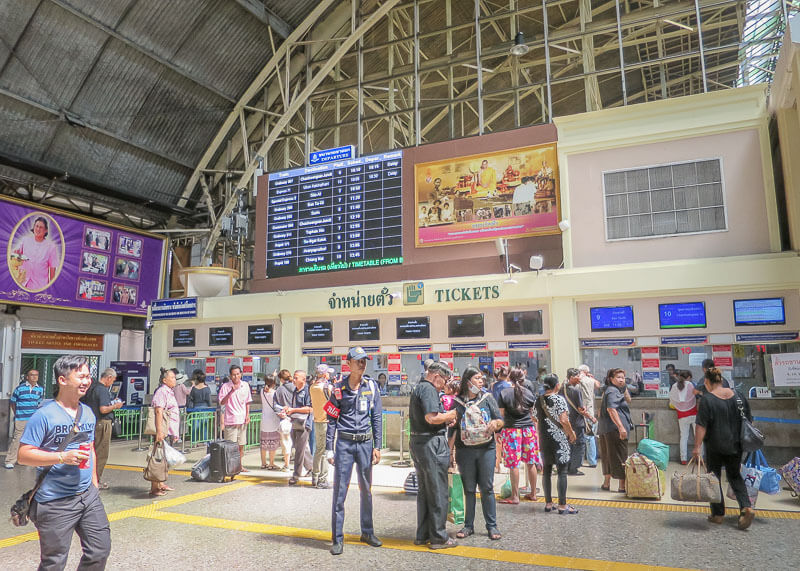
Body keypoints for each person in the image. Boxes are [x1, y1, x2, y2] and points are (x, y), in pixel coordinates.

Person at [18, 355, 110, 570]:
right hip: (54, 502)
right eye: (81, 376)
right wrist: (62, 457)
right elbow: (24, 454)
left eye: (88, 376)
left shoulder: (87, 412)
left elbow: (91, 449)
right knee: (54, 562)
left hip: (87, 497)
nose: (87, 381)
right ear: (63, 380)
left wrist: (94, 484)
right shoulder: (44, 415)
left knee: (100, 551)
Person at [325, 346, 383, 555]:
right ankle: (337, 538)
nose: (362, 364)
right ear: (348, 363)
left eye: (364, 360)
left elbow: (377, 417)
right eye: (358, 360)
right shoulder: (338, 389)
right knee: (340, 492)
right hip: (345, 445)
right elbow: (331, 419)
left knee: (366, 490)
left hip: (365, 444)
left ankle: (367, 532)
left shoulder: (372, 387)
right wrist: (329, 449)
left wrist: (377, 445)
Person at [693, 367, 755, 529]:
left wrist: (697, 447)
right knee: (735, 476)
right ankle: (746, 507)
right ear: (721, 380)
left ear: (707, 382)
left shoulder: (707, 400)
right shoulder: (739, 396)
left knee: (713, 479)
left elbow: (701, 426)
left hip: (715, 445)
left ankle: (718, 514)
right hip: (736, 444)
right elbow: (749, 420)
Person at [448, 366, 503, 540]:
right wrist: (450, 453)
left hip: (486, 449)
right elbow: (453, 429)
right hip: (465, 451)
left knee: (487, 488)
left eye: (482, 378)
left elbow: (500, 420)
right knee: (469, 489)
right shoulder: (457, 402)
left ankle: (492, 526)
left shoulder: (487, 398)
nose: (481, 381)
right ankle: (468, 525)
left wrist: (496, 424)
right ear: (468, 381)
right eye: (477, 378)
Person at [409, 360, 458, 549]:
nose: (446, 385)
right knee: (438, 490)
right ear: (436, 376)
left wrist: (444, 421)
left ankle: (423, 534)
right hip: (431, 444)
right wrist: (451, 415)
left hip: (419, 442)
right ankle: (439, 537)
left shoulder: (419, 388)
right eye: (445, 380)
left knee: (425, 491)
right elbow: (431, 417)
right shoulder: (429, 389)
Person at [496, 367, 540, 504]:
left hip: (512, 431)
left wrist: (498, 431)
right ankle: (533, 493)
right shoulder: (529, 393)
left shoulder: (504, 393)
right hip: (528, 430)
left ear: (509, 378)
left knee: (514, 464)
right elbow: (533, 414)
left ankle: (515, 496)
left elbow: (501, 415)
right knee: (531, 462)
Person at [536, 374, 578, 514]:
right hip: (559, 439)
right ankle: (562, 505)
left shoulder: (539, 400)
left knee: (546, 471)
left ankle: (548, 503)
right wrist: (571, 434)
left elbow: (534, 418)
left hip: (544, 439)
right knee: (562, 472)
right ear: (557, 386)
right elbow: (564, 420)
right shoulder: (559, 399)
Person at [81, 367, 123, 488]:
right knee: (101, 453)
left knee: (92, 451)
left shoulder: (92, 388)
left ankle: (88, 478)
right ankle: (95, 481)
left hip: (92, 422)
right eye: (113, 380)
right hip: (103, 423)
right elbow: (103, 409)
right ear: (109, 378)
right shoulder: (103, 390)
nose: (112, 383)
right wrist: (116, 406)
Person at [598, 368, 632, 493]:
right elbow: (611, 409)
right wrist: (621, 427)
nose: (622, 379)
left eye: (623, 377)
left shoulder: (609, 390)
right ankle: (622, 485)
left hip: (605, 428)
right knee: (620, 455)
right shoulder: (613, 391)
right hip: (615, 429)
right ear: (611, 379)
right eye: (618, 377)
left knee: (607, 455)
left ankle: (606, 483)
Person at [149, 367, 180, 496]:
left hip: (169, 430)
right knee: (159, 458)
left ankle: (161, 483)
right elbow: (158, 411)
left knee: (165, 459)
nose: (175, 380)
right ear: (164, 380)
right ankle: (154, 487)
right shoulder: (162, 392)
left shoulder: (169, 392)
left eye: (174, 377)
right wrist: (159, 432)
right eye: (172, 377)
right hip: (163, 431)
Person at [6, 368, 45, 469]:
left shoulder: (40, 389)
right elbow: (13, 402)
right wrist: (17, 414)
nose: (34, 377)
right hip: (21, 418)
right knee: (17, 439)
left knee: (30, 440)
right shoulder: (20, 388)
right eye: (32, 375)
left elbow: (39, 403)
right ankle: (10, 460)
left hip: (33, 419)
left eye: (36, 375)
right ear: (27, 377)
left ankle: (24, 460)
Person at [218, 365, 253, 473]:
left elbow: (248, 401)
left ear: (241, 374)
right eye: (233, 374)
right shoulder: (225, 386)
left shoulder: (245, 385)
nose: (236, 376)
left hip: (242, 420)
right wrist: (230, 392)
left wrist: (247, 415)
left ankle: (239, 466)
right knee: (230, 447)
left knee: (241, 445)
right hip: (231, 421)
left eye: (238, 374)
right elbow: (222, 402)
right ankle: (229, 467)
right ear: (230, 375)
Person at [561, 368, 594, 476]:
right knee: (579, 445)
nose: (579, 378)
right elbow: (581, 409)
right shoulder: (576, 391)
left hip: (566, 422)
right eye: (577, 376)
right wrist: (591, 417)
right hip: (577, 422)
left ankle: (567, 467)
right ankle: (574, 469)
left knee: (568, 444)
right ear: (571, 377)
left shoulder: (562, 389)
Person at [12, 215, 60, 290]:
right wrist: (16, 253)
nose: (38, 229)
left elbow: (52, 269)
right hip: (23, 283)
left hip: (40, 286)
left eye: (41, 227)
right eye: (36, 226)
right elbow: (15, 255)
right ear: (33, 227)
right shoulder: (25, 240)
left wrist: (50, 288)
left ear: (46, 230)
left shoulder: (51, 246)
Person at [282, 370, 312, 485]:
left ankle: (296, 474)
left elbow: (309, 409)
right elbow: (294, 406)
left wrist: (294, 410)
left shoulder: (308, 391)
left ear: (303, 380)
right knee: (303, 448)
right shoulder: (295, 391)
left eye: (296, 378)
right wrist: (288, 409)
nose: (293, 380)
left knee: (299, 450)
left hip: (304, 423)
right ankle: (311, 467)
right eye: (293, 378)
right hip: (294, 422)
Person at [669, 370, 699, 464]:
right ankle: (699, 458)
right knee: (697, 436)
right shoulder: (690, 385)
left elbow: (672, 401)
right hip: (694, 413)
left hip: (682, 415)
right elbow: (696, 396)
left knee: (684, 437)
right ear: (689, 377)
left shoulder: (675, 386)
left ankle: (683, 459)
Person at [309, 364, 332, 488]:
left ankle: (315, 476)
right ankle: (322, 480)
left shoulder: (312, 387)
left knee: (318, 450)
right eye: (328, 373)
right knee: (325, 451)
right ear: (324, 374)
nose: (329, 375)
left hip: (316, 421)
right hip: (326, 422)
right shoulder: (327, 387)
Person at [577, 364, 601, 468]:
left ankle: (580, 461)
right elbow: (598, 385)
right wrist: (591, 377)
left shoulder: (578, 381)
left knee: (581, 437)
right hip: (589, 412)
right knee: (590, 437)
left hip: (580, 412)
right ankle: (592, 461)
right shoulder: (591, 381)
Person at [259, 374, 285, 471]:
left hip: (264, 420)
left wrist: (272, 376)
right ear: (274, 383)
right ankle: (271, 463)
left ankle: (263, 463)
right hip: (273, 420)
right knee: (272, 443)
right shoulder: (275, 393)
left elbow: (267, 386)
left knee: (264, 443)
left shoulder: (262, 391)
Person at [490, 365, 511, 473]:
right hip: (507, 416)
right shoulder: (509, 386)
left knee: (497, 441)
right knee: (506, 441)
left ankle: (497, 465)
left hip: (496, 415)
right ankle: (506, 465)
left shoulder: (493, 385)